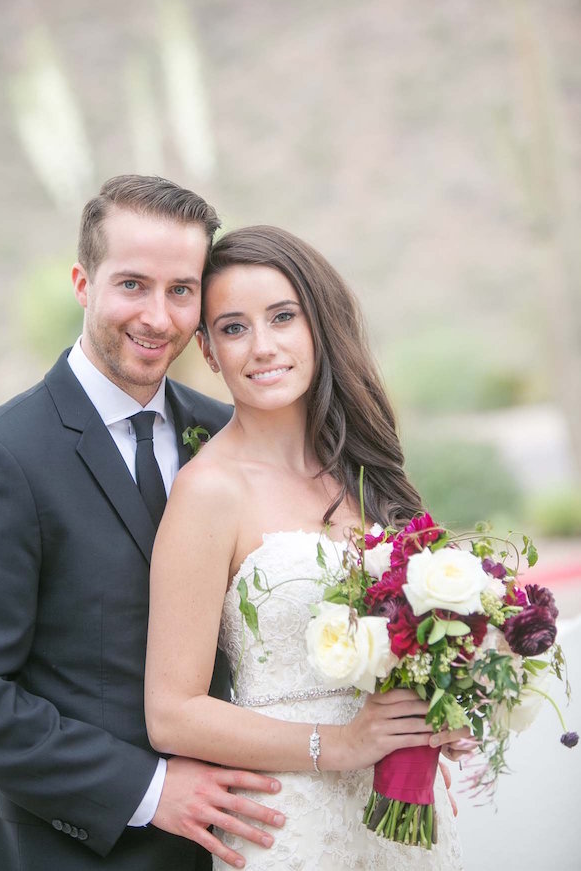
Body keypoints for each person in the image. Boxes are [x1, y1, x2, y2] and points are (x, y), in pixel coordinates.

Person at [0, 177, 286, 871]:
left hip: (237, 845)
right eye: (133, 284)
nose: (159, 316)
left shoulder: (226, 435)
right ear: (82, 282)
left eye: (182, 289)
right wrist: (148, 790)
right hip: (73, 853)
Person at [145, 225, 467, 870]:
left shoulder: (369, 472)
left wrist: (441, 706)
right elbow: (171, 714)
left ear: (318, 324)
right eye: (233, 328)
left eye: (282, 317)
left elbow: (419, 642)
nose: (262, 347)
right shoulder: (208, 491)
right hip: (287, 822)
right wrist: (340, 744)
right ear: (207, 350)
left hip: (397, 815)